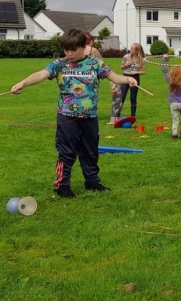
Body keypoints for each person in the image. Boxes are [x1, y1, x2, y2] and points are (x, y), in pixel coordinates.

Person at [10, 28, 138, 198]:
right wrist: (23, 83)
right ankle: (62, 186)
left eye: (73, 49)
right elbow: (41, 74)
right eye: (66, 49)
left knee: (90, 151)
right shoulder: (59, 64)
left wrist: (127, 79)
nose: (69, 53)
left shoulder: (95, 63)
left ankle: (92, 181)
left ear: (84, 46)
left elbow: (114, 77)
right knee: (66, 152)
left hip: (89, 116)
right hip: (66, 116)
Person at [119, 43, 146, 117]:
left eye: (132, 49)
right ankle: (117, 115)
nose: (130, 50)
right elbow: (121, 67)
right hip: (125, 77)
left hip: (135, 78)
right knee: (122, 96)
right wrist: (127, 64)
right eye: (130, 48)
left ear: (137, 51)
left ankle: (132, 116)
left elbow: (143, 71)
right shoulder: (126, 57)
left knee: (133, 97)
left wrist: (136, 72)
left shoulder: (142, 60)